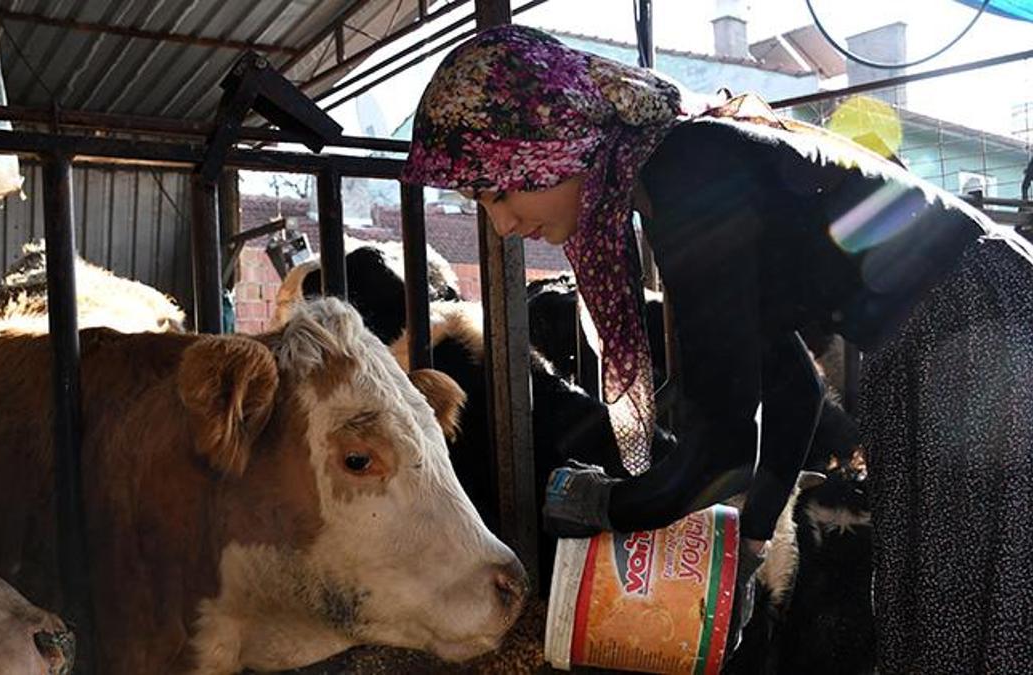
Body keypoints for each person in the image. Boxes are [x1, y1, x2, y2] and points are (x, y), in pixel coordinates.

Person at [401, 25, 1033, 673]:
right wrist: (753, 540)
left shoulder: (686, 168)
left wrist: (600, 503)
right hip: (956, 329)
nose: (502, 224)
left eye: (499, 190)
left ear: (553, 143)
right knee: (938, 595)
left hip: (984, 336)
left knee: (977, 603)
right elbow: (794, 392)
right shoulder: (681, 167)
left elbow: (722, 448)